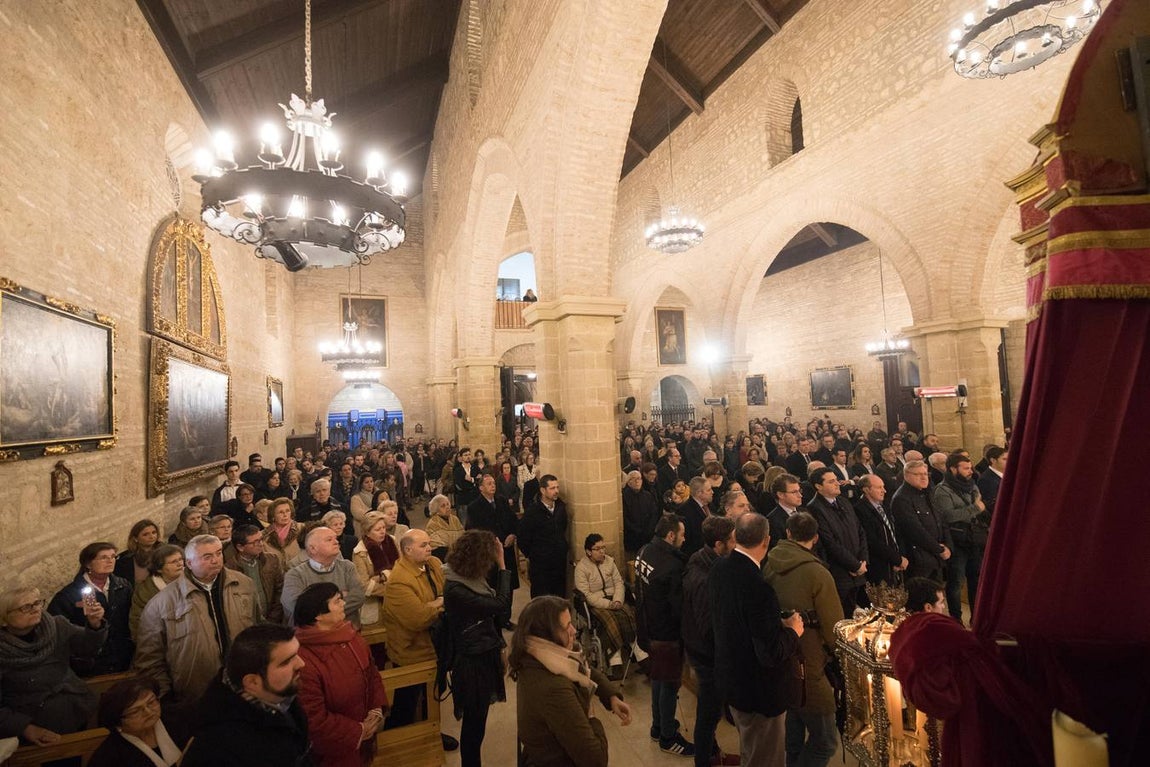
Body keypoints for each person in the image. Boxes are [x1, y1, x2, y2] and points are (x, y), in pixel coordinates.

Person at [711, 512, 804, 767]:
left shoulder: (720, 567)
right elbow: (771, 652)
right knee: (765, 759)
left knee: (751, 751)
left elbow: (736, 621)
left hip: (733, 682)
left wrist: (775, 624)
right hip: (759, 693)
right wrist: (792, 631)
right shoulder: (759, 588)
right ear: (767, 540)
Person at [133, 534, 259, 703]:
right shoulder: (162, 603)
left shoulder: (244, 584)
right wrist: (166, 697)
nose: (216, 560)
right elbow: (150, 659)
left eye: (218, 553)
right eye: (207, 557)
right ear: (189, 563)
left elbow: (257, 629)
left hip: (245, 687)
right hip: (195, 694)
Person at [509, 595, 631, 767]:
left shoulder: (539, 656)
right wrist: (591, 717)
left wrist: (610, 696)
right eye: (567, 626)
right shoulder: (552, 689)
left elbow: (582, 667)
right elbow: (595, 759)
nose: (574, 630)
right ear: (547, 635)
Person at [765, 512, 844, 767]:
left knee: (794, 727)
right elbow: (834, 627)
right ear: (816, 537)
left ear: (788, 533)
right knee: (826, 741)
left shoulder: (769, 563)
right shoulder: (817, 573)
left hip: (782, 653)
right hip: (810, 662)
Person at [181, 624, 312, 767]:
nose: (302, 664)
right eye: (286, 661)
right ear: (253, 682)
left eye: (297, 654)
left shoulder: (281, 697)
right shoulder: (217, 748)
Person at [381, 529, 458, 752]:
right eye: (423, 545)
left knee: (432, 694)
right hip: (411, 651)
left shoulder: (432, 563)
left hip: (435, 644)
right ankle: (399, 738)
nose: (430, 548)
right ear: (407, 550)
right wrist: (438, 605)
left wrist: (436, 603)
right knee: (409, 700)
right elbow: (418, 619)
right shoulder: (398, 582)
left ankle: (430, 731)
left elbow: (446, 593)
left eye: (429, 543)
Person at [294, 583, 388, 767]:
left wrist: (376, 709)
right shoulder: (303, 658)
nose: (344, 604)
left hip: (362, 742)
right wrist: (358, 731)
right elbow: (313, 719)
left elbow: (372, 673)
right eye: (337, 602)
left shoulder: (350, 635)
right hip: (334, 752)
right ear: (318, 615)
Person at [0, 585, 106, 744]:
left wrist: (94, 625)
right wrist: (24, 727)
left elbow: (87, 647)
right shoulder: (4, 649)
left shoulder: (56, 625)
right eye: (26, 607)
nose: (35, 609)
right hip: (31, 720)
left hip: (75, 706)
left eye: (37, 603)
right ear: (4, 618)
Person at [444, 530, 512, 767]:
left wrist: (500, 646)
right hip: (472, 662)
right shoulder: (456, 588)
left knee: (478, 723)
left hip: (484, 651)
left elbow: (493, 621)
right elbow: (500, 606)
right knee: (473, 727)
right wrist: (503, 565)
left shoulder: (470, 578)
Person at [681, 516, 740, 767]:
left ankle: (713, 754)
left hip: (699, 649)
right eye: (733, 541)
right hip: (708, 656)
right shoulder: (707, 579)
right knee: (709, 713)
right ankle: (704, 760)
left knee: (711, 711)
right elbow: (708, 627)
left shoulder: (700, 558)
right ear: (719, 544)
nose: (736, 545)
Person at [635, 512, 694, 756]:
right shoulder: (672, 565)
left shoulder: (645, 551)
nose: (684, 538)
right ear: (671, 535)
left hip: (647, 626)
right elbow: (679, 607)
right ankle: (668, 738)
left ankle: (658, 725)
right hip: (666, 634)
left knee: (659, 678)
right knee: (670, 683)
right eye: (681, 534)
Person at [49, 541, 135, 675]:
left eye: (113, 557)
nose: (110, 561)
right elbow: (58, 631)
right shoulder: (69, 595)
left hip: (121, 656)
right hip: (91, 662)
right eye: (103, 557)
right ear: (88, 564)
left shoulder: (123, 586)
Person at [574, 534, 646, 673]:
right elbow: (587, 595)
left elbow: (619, 583)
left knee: (629, 615)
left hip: (614, 599)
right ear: (589, 551)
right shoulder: (581, 568)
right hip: (597, 604)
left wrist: (618, 600)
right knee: (610, 621)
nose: (602, 551)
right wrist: (608, 604)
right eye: (597, 549)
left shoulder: (609, 562)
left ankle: (642, 656)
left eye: (603, 547)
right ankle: (615, 662)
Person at [807, 467, 869, 616]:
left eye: (836, 480)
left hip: (859, 571)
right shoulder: (814, 508)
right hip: (840, 573)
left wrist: (863, 560)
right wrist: (854, 565)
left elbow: (860, 531)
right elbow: (830, 543)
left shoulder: (843, 501)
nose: (837, 484)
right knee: (842, 617)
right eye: (831, 481)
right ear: (818, 486)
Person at [934, 452, 986, 623]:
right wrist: (974, 508)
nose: (970, 471)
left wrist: (976, 510)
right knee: (956, 582)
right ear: (953, 469)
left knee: (976, 580)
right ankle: (956, 620)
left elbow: (980, 508)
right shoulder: (942, 490)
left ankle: (976, 617)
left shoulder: (972, 486)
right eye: (965, 468)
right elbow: (948, 516)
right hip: (957, 541)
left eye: (970, 468)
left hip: (974, 539)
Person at [88, 676, 184, 767]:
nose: (148, 712)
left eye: (151, 702)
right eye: (135, 711)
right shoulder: (107, 757)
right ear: (118, 722)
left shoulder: (179, 719)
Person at [282, 527, 366, 628]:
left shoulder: (348, 567)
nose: (336, 542)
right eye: (329, 540)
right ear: (313, 548)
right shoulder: (295, 574)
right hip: (312, 638)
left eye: (335, 538)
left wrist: (319, 605)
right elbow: (296, 607)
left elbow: (358, 597)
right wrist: (341, 596)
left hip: (347, 633)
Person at [891, 460, 952, 581]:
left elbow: (941, 520)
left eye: (925, 474)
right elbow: (915, 530)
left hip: (935, 556)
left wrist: (948, 546)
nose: (923, 477)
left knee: (937, 595)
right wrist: (939, 549)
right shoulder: (901, 498)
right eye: (918, 474)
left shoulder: (928, 493)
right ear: (906, 475)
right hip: (919, 558)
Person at [518, 475, 569, 598]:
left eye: (557, 487)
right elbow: (523, 537)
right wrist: (534, 554)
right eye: (552, 488)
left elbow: (563, 527)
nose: (556, 491)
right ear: (542, 490)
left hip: (558, 562)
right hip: (541, 565)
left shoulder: (560, 507)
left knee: (559, 597)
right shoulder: (533, 511)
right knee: (542, 600)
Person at [853, 475, 907, 586]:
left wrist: (899, 557)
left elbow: (893, 533)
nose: (884, 490)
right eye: (879, 487)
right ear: (866, 489)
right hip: (878, 566)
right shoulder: (860, 510)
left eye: (883, 487)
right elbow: (872, 541)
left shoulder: (883, 506)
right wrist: (896, 559)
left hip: (892, 563)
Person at [225, 525, 286, 624]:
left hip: (273, 619)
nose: (261, 544)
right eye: (255, 542)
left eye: (261, 539)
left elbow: (280, 590)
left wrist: (273, 619)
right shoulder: (230, 569)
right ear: (240, 547)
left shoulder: (272, 560)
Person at [352, 511, 400, 629]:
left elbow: (401, 567)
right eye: (377, 529)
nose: (383, 531)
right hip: (375, 605)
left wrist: (379, 577)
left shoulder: (392, 541)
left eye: (383, 527)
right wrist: (392, 589)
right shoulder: (360, 552)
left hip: (397, 602)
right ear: (367, 532)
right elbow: (364, 585)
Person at [129, 544, 185, 641]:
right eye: (173, 562)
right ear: (159, 569)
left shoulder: (192, 582)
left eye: (180, 559)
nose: (180, 564)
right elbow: (138, 623)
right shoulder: (145, 592)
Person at [622, 469, 659, 557]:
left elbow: (654, 513)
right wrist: (637, 530)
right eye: (634, 479)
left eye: (639, 478)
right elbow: (624, 518)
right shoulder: (624, 496)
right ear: (628, 482)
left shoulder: (647, 495)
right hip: (632, 537)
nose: (637, 481)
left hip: (647, 535)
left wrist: (649, 529)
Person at [115, 519, 162, 584]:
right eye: (145, 534)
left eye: (154, 532)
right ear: (135, 539)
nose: (151, 536)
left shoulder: (165, 551)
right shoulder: (125, 559)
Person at [265, 497, 305, 565]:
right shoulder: (264, 535)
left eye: (287, 511)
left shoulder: (302, 529)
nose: (285, 515)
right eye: (281, 512)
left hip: (298, 572)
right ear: (273, 515)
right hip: (275, 574)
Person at [426, 493, 465, 560]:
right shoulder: (433, 524)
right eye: (443, 506)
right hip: (443, 557)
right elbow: (435, 547)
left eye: (448, 504)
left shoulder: (454, 519)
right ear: (436, 510)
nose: (447, 507)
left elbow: (462, 535)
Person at [348, 472, 376, 537]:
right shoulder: (355, 498)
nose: (370, 484)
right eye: (366, 482)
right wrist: (375, 514)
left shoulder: (377, 496)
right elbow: (358, 514)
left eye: (371, 481)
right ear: (361, 484)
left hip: (375, 529)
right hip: (362, 530)